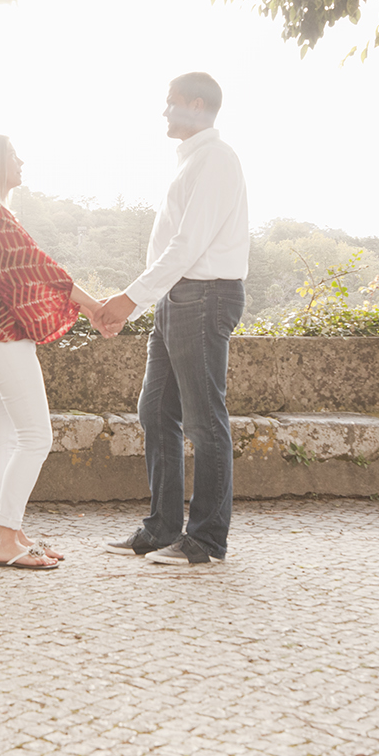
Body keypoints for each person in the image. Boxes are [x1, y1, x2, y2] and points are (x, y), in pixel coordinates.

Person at [96, 74, 249, 566]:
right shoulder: (192, 161)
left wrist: (127, 300)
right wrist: (144, 302)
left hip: (204, 297)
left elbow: (188, 246)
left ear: (197, 105)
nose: (164, 113)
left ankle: (206, 540)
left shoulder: (217, 160)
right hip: (177, 298)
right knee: (156, 411)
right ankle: (161, 528)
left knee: (205, 421)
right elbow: (175, 248)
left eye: (172, 104)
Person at [0, 134, 106, 571]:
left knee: (8, 438)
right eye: (13, 155)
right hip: (0, 339)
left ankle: (13, 533)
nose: (22, 161)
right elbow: (38, 268)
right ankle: (4, 540)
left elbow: (21, 274)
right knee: (38, 436)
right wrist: (94, 305)